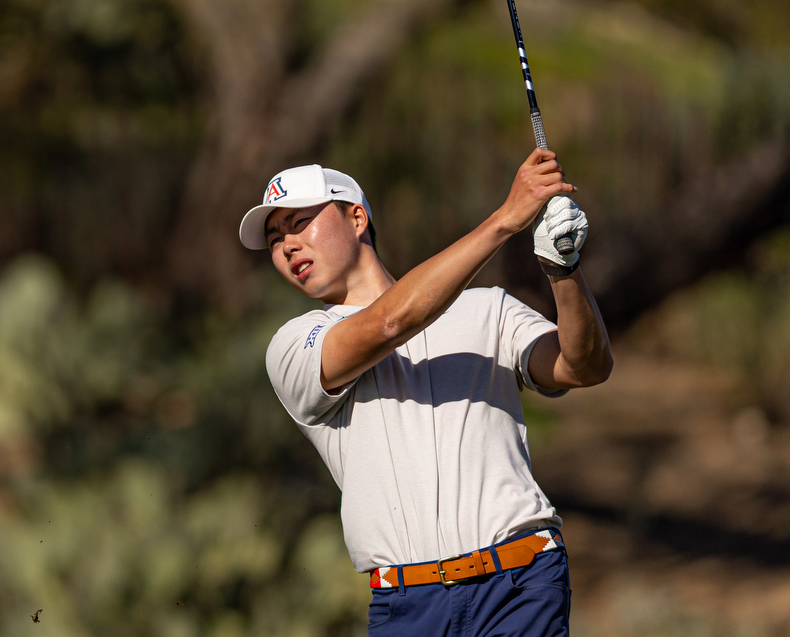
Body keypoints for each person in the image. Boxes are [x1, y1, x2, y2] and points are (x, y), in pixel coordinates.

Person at [239, 150, 611, 636]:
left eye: (299, 223)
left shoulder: (488, 309)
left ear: (356, 218)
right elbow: (389, 323)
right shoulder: (294, 345)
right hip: (407, 604)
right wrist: (505, 220)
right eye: (274, 239)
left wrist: (563, 270)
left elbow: (583, 365)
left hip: (520, 582)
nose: (287, 246)